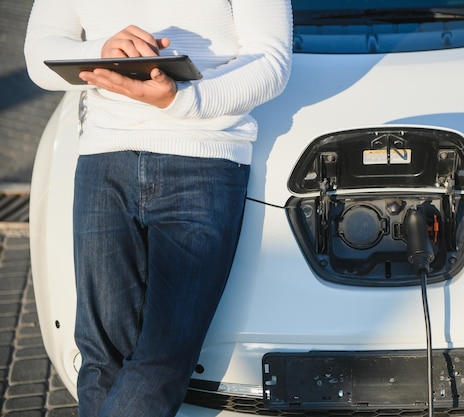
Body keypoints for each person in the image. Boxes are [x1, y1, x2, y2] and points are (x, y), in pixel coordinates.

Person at [24, 1, 292, 416]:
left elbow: (270, 62)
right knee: (100, 356)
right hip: (104, 156)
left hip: (203, 157)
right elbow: (39, 55)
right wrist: (103, 50)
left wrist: (180, 100)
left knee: (164, 357)